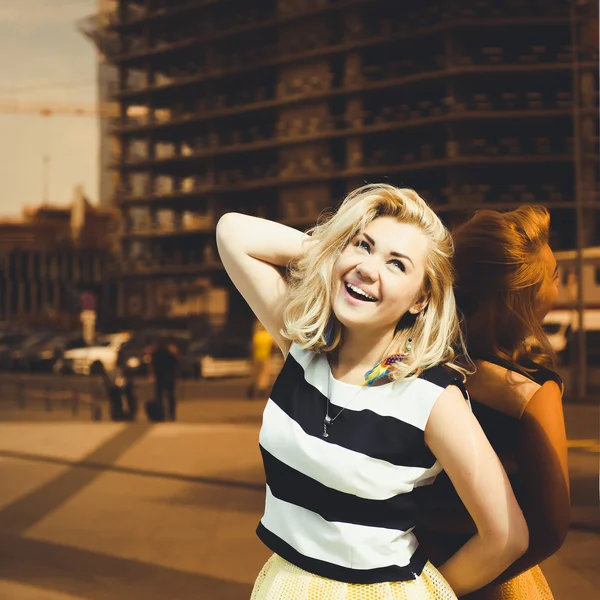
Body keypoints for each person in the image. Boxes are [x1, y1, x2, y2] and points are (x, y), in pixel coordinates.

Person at [216, 183, 528, 599]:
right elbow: (232, 233)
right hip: (285, 583)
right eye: (363, 245)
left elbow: (507, 536)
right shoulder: (304, 349)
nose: (369, 268)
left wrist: (426, 594)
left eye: (398, 265)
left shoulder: (432, 397)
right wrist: (335, 256)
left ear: (420, 299)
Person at [416, 205, 570, 599]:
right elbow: (550, 528)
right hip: (489, 579)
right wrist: (444, 589)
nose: (561, 284)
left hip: (407, 564)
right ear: (522, 297)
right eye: (554, 277)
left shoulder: (417, 362)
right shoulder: (530, 394)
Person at [149, 336, 179, 421]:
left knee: (160, 396)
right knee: (169, 396)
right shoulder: (169, 352)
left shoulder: (156, 352)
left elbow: (153, 363)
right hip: (167, 376)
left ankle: (161, 414)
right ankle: (170, 414)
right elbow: (176, 363)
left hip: (161, 376)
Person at [247, 320, 274, 398]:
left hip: (256, 357)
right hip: (265, 357)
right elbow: (275, 345)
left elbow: (251, 347)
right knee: (264, 374)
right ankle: (262, 389)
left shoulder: (256, 336)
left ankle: (253, 388)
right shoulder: (268, 336)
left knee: (256, 374)